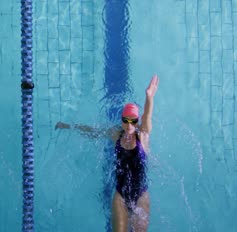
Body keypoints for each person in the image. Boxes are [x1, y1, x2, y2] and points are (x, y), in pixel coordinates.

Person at [55, 75, 159, 232]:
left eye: (133, 120)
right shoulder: (116, 134)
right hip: (120, 195)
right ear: (121, 120)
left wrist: (149, 97)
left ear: (137, 121)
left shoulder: (142, 137)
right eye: (126, 120)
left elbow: (147, 118)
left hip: (141, 195)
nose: (129, 124)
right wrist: (68, 126)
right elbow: (92, 132)